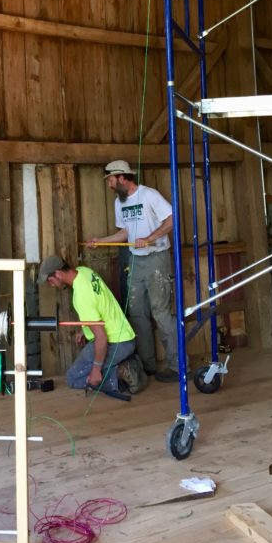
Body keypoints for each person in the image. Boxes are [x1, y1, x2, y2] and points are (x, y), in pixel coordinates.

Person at [88, 160, 181, 383]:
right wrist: (101, 241)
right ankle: (148, 365)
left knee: (160, 313)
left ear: (121, 177)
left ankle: (178, 366)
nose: (109, 185)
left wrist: (149, 239)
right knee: (137, 314)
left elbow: (172, 219)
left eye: (111, 180)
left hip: (157, 259)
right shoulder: (119, 203)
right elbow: (125, 234)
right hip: (136, 262)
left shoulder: (149, 195)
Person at [37, 254, 136, 394]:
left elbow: (101, 338)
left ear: (58, 274)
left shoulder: (81, 295)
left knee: (73, 378)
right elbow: (100, 305)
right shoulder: (84, 272)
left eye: (50, 280)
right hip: (125, 335)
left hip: (116, 343)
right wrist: (86, 329)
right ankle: (123, 364)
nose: (51, 285)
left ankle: (122, 372)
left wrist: (96, 370)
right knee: (84, 371)